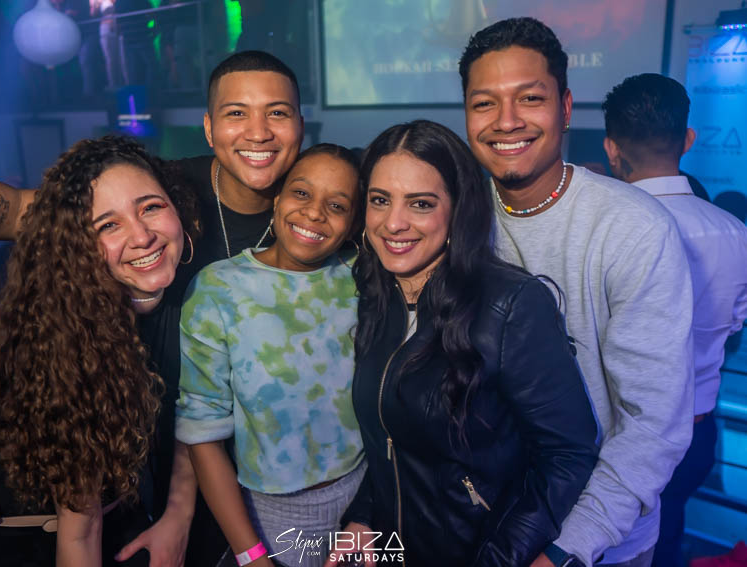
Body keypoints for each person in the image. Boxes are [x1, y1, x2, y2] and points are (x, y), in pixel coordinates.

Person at [0, 50, 305, 566]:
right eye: (236, 112)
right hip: (58, 522)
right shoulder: (86, 326)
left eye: (277, 112)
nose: (258, 132)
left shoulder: (319, 200)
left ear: (300, 122)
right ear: (208, 127)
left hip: (202, 487)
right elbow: (14, 211)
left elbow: (198, 405)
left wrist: (177, 514)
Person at [458, 18, 694, 567]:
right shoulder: (456, 219)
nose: (506, 121)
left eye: (530, 98)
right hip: (485, 526)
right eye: (485, 103)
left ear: (565, 108)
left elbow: (653, 423)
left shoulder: (632, 228)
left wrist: (569, 548)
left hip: (597, 540)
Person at [324, 120, 598, 567]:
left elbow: (568, 455)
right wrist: (363, 518)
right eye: (380, 200)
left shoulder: (511, 304)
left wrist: (500, 559)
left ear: (457, 210)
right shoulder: (378, 295)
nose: (393, 223)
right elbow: (391, 440)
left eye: (421, 204)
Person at [0, 135, 196, 567]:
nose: (142, 236)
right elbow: (80, 534)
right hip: (35, 544)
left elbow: (198, 410)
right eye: (108, 225)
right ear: (78, 247)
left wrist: (179, 513)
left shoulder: (177, 296)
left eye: (151, 207)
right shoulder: (75, 346)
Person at [178, 144, 365, 567]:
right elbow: (202, 432)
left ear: (354, 223)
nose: (314, 212)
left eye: (337, 205)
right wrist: (251, 555)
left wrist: (371, 513)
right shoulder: (219, 289)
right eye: (301, 193)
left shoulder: (362, 277)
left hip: (365, 512)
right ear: (277, 199)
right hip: (270, 519)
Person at [602, 73, 747, 567]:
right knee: (668, 540)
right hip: (695, 432)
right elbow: (734, 327)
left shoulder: (604, 229)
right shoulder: (734, 233)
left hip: (615, 435)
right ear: (687, 139)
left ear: (611, 147)